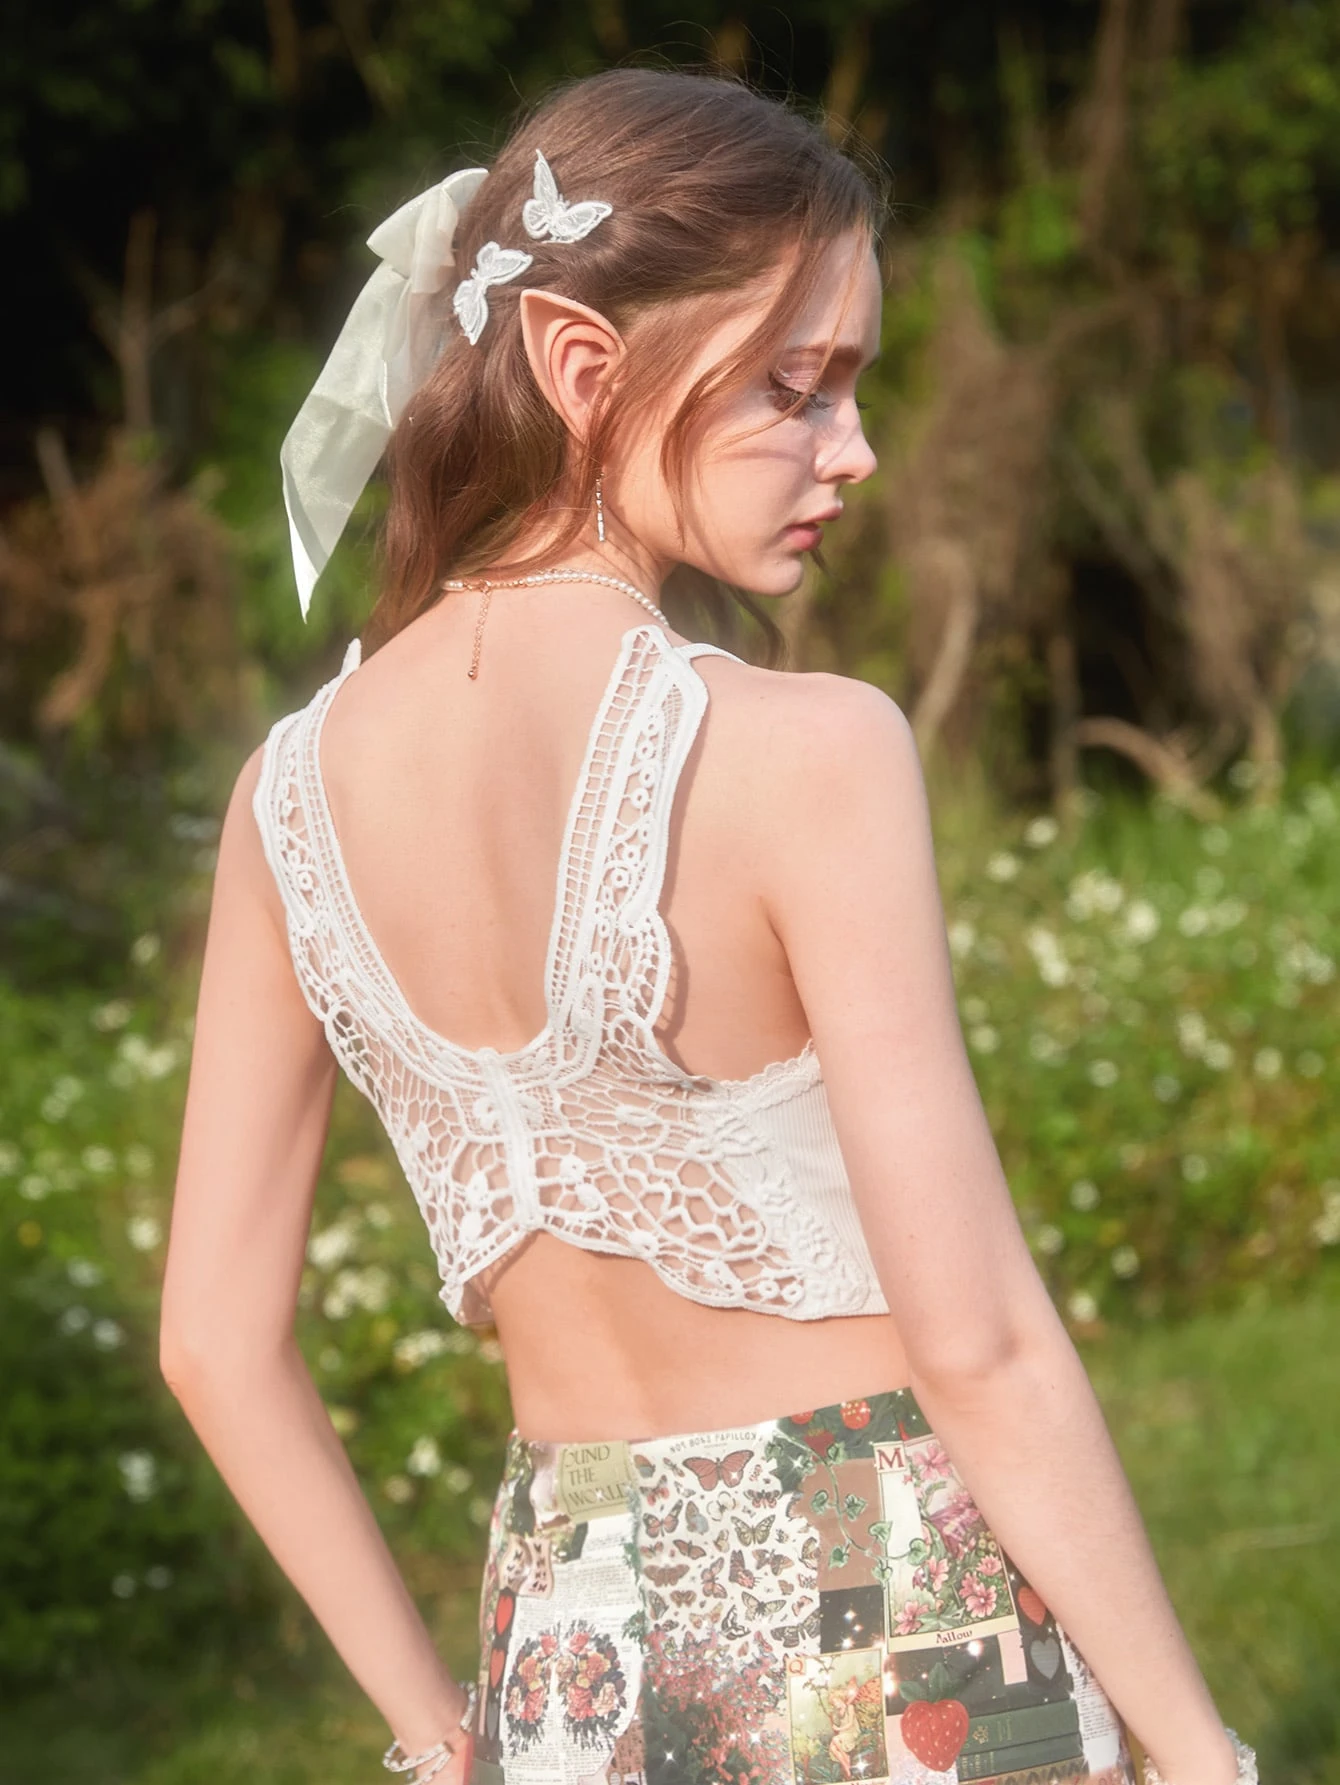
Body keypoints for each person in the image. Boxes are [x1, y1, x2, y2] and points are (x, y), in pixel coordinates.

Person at [159, 66, 1255, 1785]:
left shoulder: (282, 800)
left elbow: (214, 1343)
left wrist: (441, 1736)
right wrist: (1199, 1750)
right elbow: (975, 1339)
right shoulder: (811, 752)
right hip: (892, 1615)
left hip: (567, 1665)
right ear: (582, 366)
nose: (853, 449)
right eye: (794, 389)